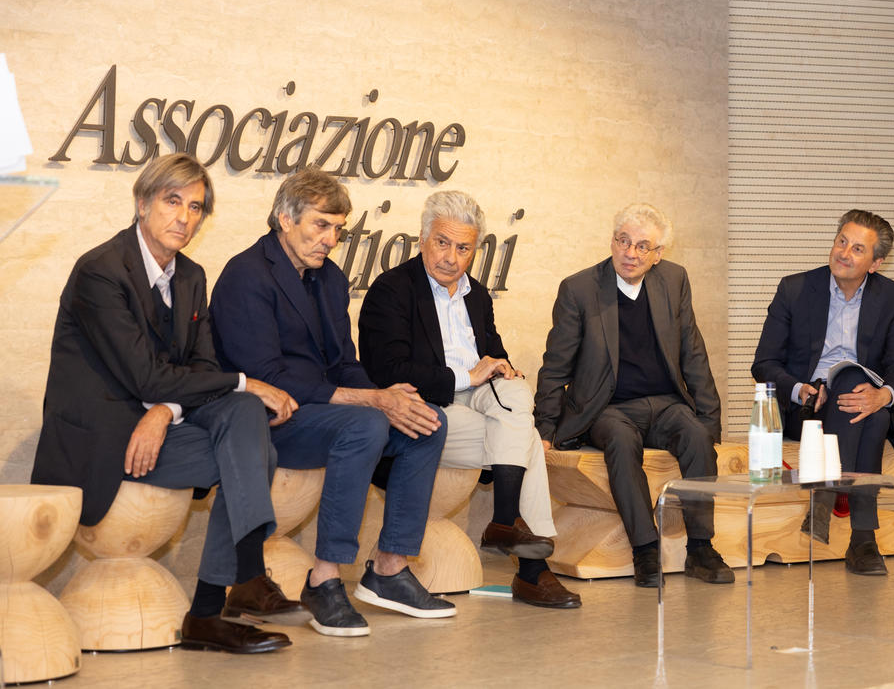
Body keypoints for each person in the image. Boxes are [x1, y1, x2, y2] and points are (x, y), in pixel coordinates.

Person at [31, 153, 309, 654]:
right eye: (172, 201)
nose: (184, 217)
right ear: (142, 204)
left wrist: (165, 412)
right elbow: (145, 375)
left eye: (195, 207)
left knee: (245, 417)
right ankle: (221, 599)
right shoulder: (100, 272)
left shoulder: (191, 277)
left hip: (160, 429)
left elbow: (200, 369)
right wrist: (245, 381)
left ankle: (224, 600)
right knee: (257, 446)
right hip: (104, 440)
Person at [210, 168, 453, 637]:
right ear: (285, 218)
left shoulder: (330, 279)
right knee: (365, 425)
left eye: (338, 229)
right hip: (267, 421)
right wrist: (371, 401)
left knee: (428, 421)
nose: (330, 240)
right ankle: (323, 580)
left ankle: (389, 568)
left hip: (320, 414)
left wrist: (390, 398)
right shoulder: (247, 275)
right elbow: (268, 379)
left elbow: (344, 363)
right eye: (321, 225)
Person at [359, 190, 580, 609]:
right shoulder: (391, 290)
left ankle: (505, 523)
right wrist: (467, 376)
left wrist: (504, 367)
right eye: (442, 243)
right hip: (426, 409)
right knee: (527, 440)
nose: (451, 258)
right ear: (423, 239)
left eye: (463, 248)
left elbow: (493, 354)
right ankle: (530, 569)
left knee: (515, 391)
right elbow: (388, 372)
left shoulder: (477, 296)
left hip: (479, 401)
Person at [534, 203, 733, 588]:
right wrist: (544, 429)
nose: (630, 253)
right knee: (622, 442)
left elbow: (693, 352)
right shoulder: (579, 289)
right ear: (612, 241)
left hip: (666, 404)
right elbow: (556, 364)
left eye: (643, 246)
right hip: (608, 408)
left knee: (697, 436)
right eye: (623, 241)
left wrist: (711, 421)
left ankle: (701, 549)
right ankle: (645, 550)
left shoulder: (674, 280)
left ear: (658, 254)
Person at [751, 209, 894, 576]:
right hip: (808, 408)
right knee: (871, 415)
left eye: (858, 249)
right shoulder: (794, 289)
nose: (844, 253)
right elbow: (764, 363)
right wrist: (801, 391)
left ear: (876, 263)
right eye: (842, 241)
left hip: (861, 401)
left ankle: (825, 498)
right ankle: (863, 541)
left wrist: (883, 396)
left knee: (866, 399)